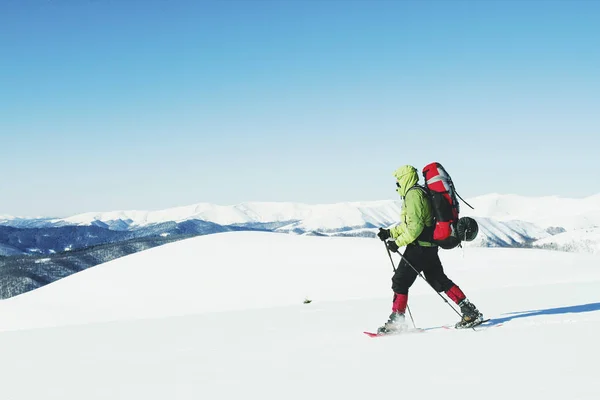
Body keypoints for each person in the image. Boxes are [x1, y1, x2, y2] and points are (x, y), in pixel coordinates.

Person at [376, 165, 483, 332]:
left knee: (400, 281)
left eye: (398, 180)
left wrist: (397, 243)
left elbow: (415, 228)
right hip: (430, 247)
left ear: (405, 178)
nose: (396, 185)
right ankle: (470, 311)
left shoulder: (413, 195)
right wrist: (390, 232)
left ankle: (396, 322)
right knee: (438, 280)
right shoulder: (421, 192)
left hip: (418, 248)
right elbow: (410, 224)